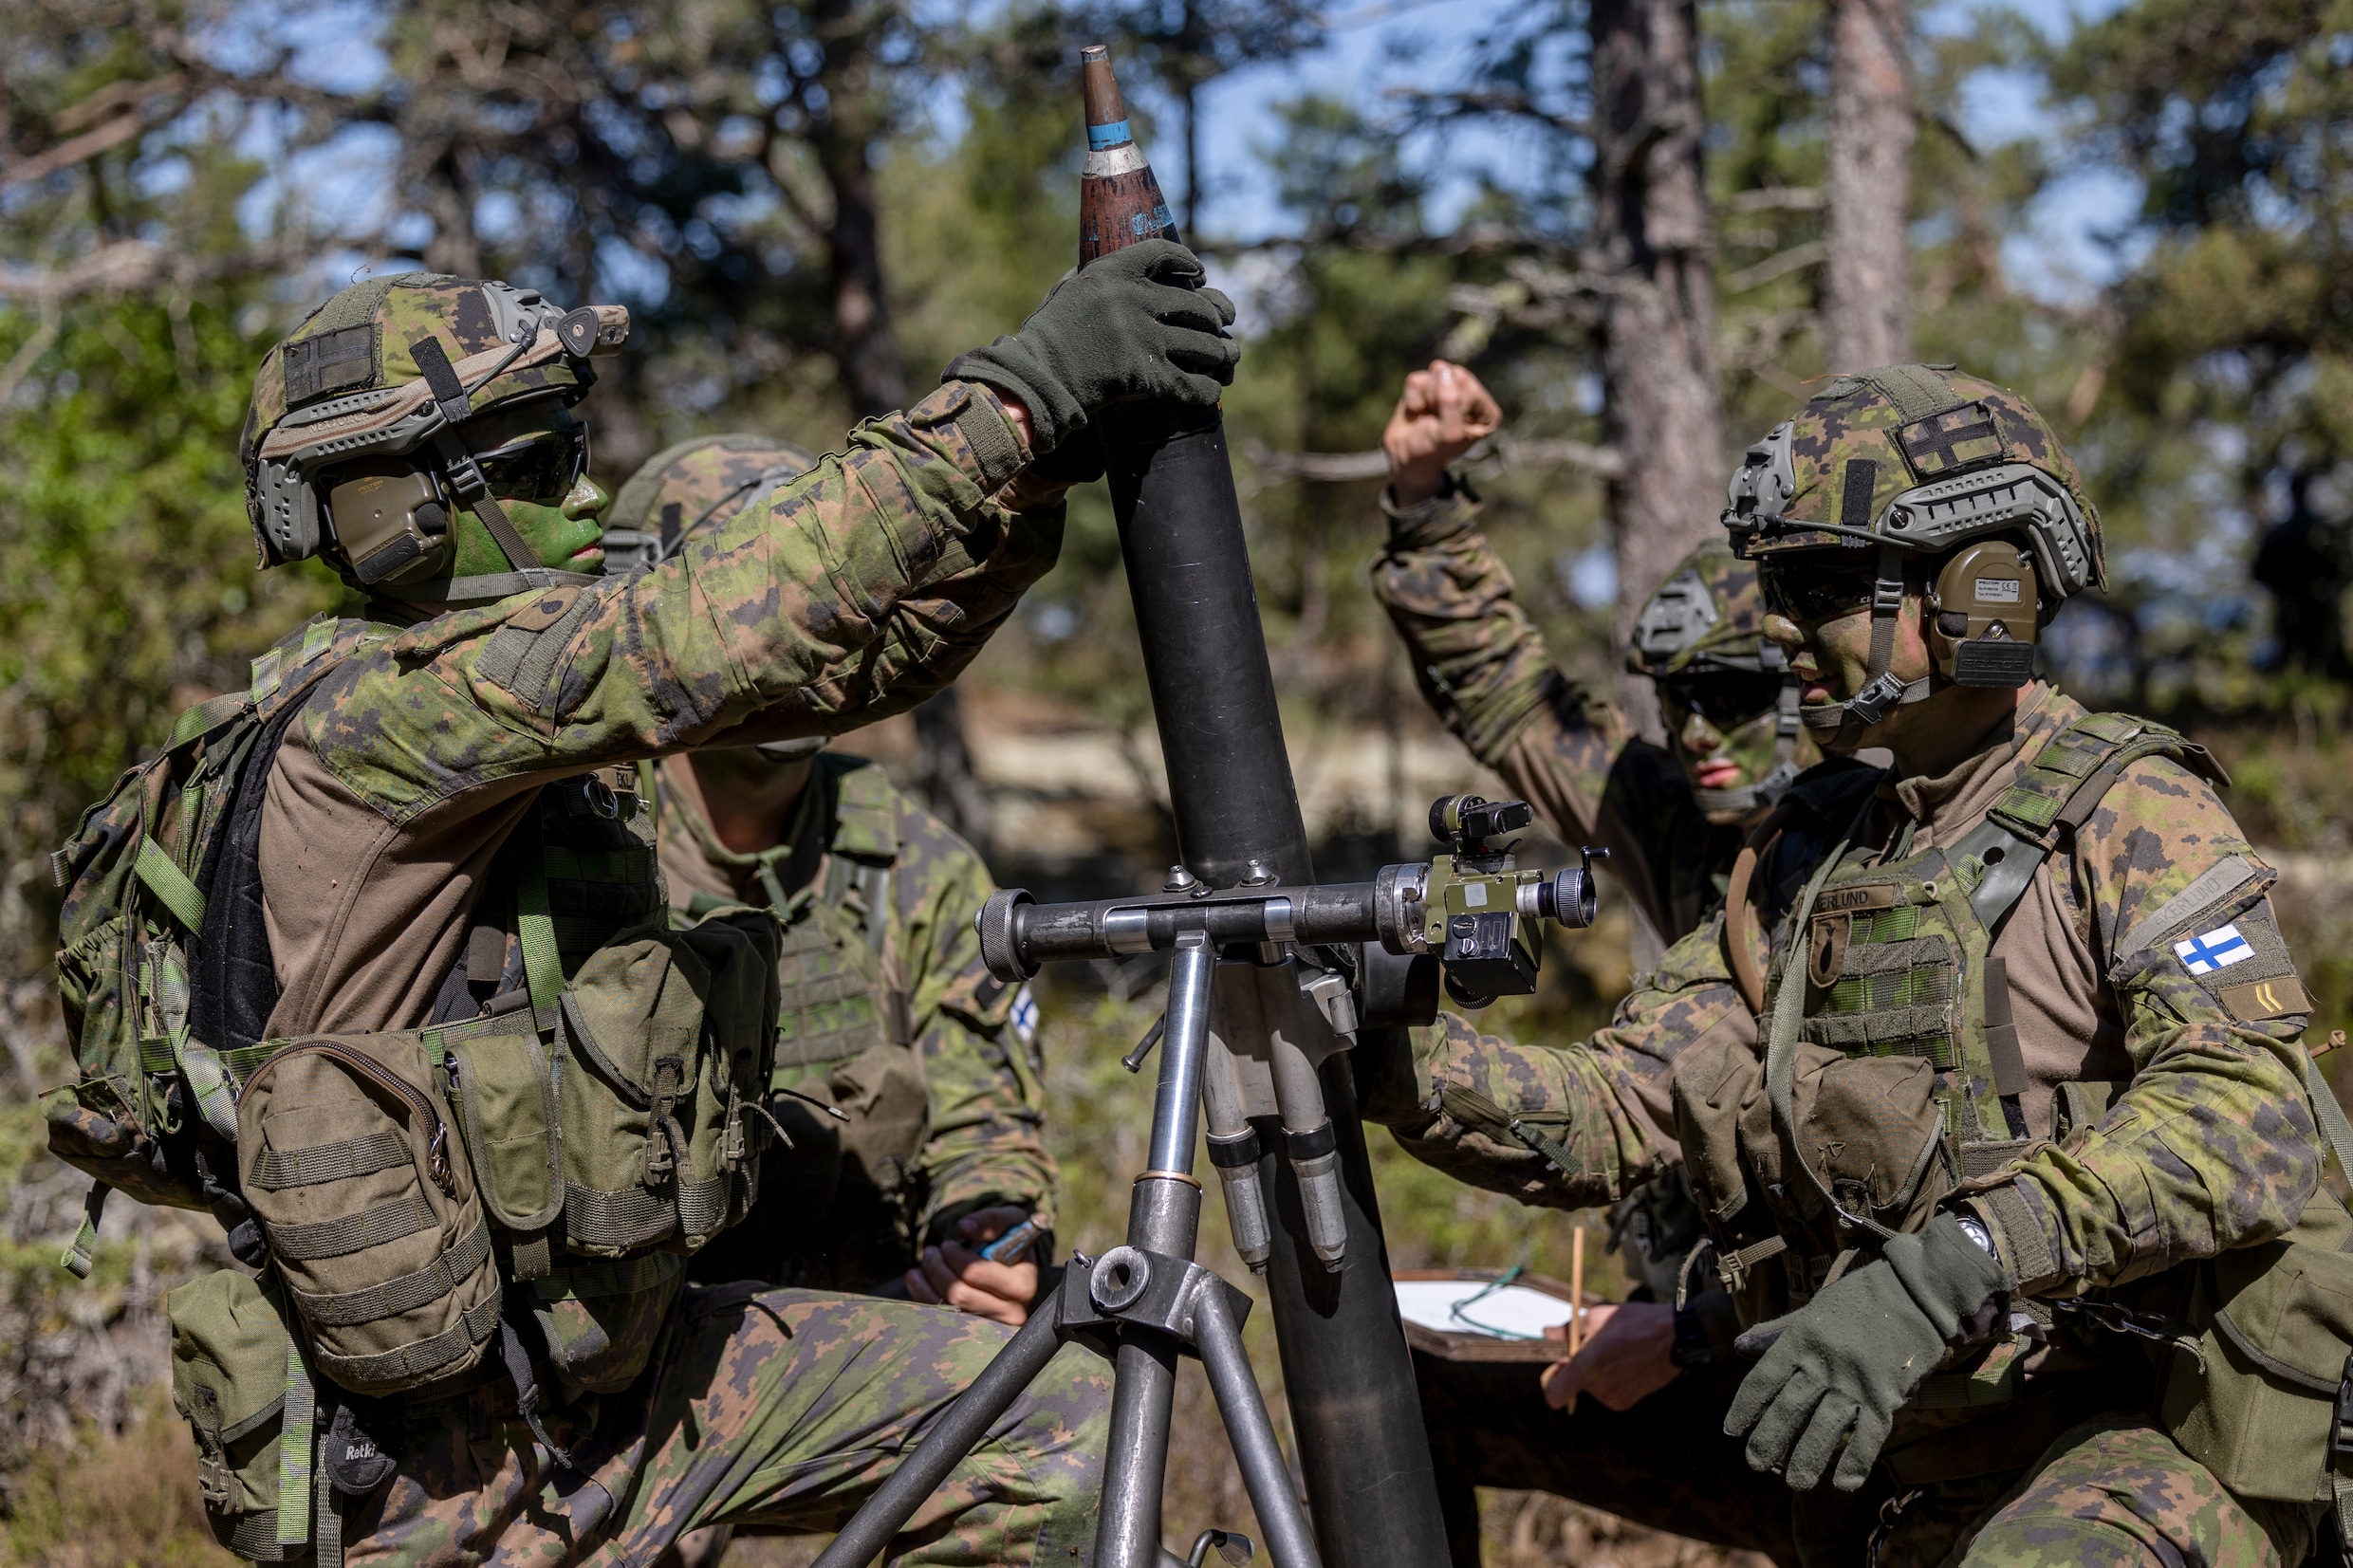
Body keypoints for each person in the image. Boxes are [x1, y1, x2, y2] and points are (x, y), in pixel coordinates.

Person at [47, 246, 1239, 1567]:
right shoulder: (389, 717)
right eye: (553, 459)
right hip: (443, 1484)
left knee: (1055, 1418)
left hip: (615, 1391)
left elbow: (840, 674)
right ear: (416, 508)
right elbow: (720, 627)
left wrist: (1037, 474)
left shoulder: (478, 716)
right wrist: (1019, 393)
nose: (595, 488)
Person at [1362, 363, 2348, 1566]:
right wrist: (1387, 1054)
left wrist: (1948, 1268)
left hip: (2124, 1441)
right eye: (1776, 584)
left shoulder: (2125, 804)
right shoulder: (1812, 846)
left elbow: (2246, 1120)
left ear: (1978, 593)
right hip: (1875, 1456)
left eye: (1818, 587)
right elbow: (1617, 1108)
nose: (1778, 626)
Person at [1371, 360, 1831, 1562]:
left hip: (1868, 1396)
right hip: (1698, 1349)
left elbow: (1924, 1239)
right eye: (1673, 702)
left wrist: (1694, 1331)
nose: (1693, 737)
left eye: (1728, 697)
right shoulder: (1683, 806)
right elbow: (1517, 700)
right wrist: (1427, 501)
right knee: (1393, 1378)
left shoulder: (1897, 864)